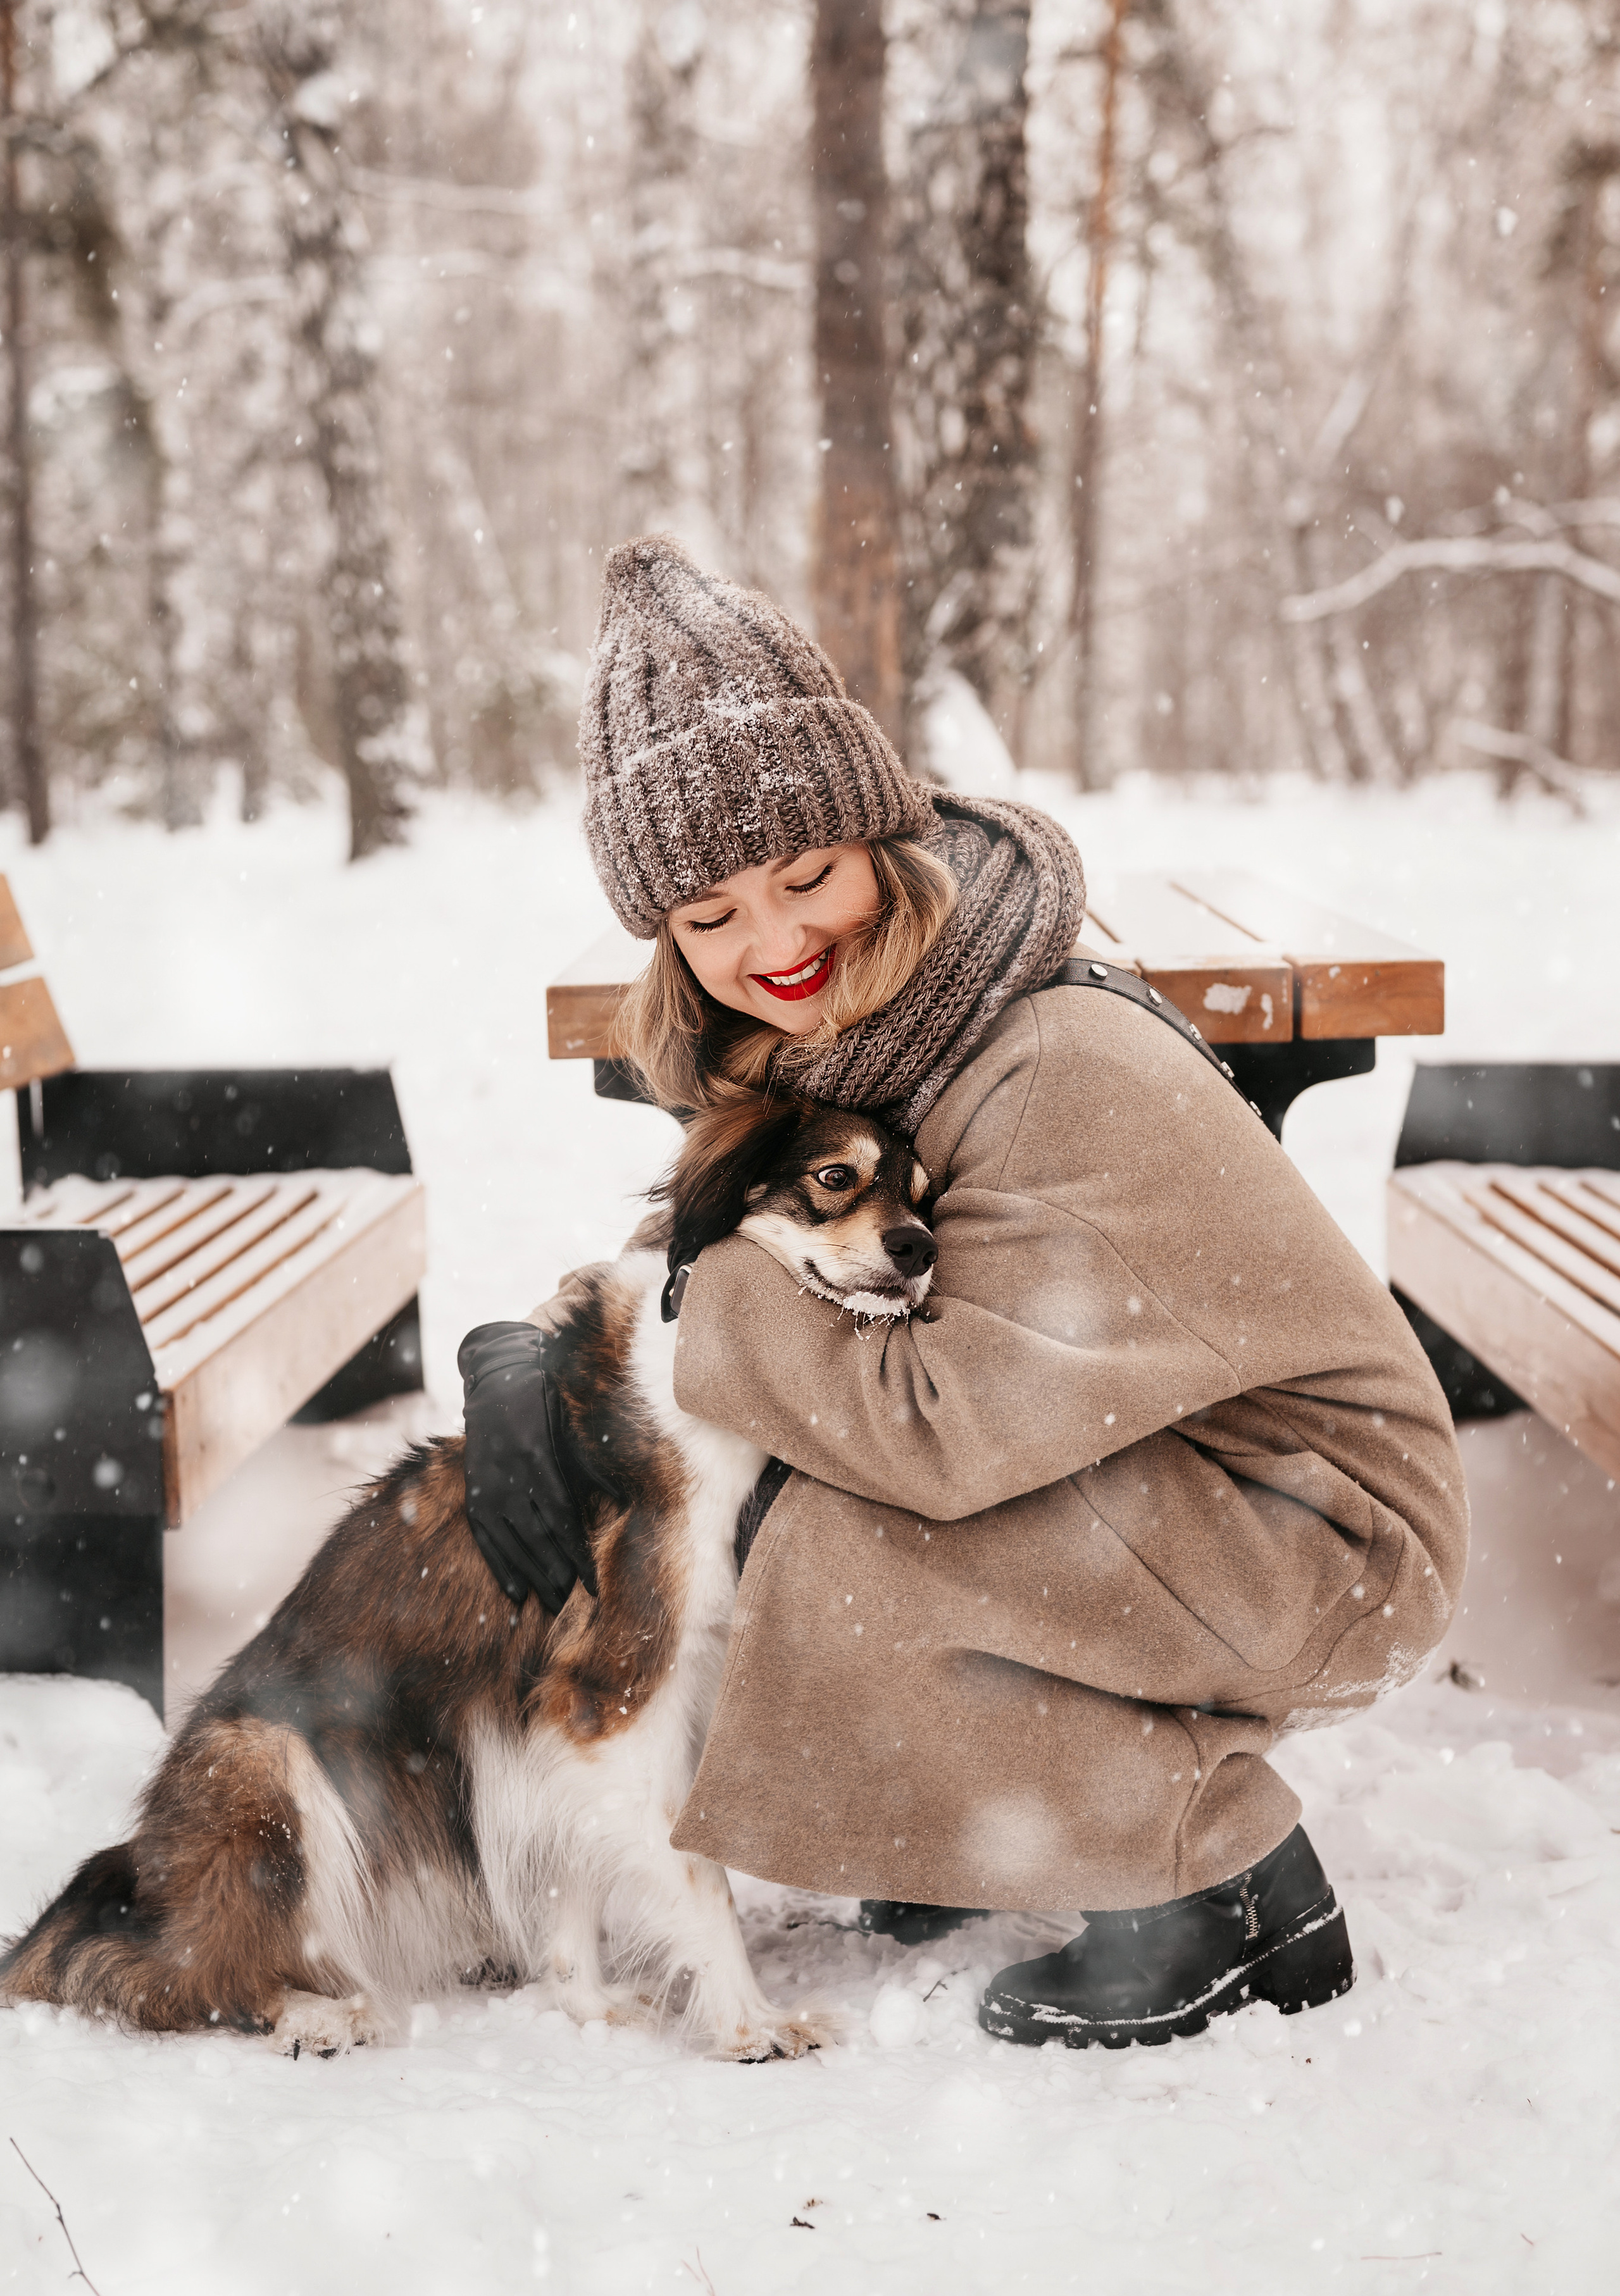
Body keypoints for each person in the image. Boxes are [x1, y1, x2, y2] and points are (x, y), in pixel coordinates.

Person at [458, 535, 1469, 2050]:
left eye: (806, 876)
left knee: (829, 1525)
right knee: (783, 1476)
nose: (773, 943)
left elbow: (940, 1426)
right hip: (1180, 1488)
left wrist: (662, 1323)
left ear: (885, 839)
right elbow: (756, 1241)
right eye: (709, 917)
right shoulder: (874, 1030)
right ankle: (974, 1824)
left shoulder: (1047, 1060)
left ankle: (1216, 1882)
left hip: (1324, 1535)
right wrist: (533, 1347)